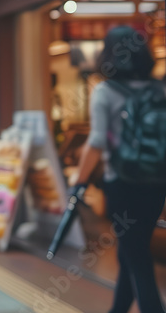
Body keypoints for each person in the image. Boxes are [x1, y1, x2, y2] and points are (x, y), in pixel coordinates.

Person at [71, 26, 166, 313]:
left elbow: (97, 141)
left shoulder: (105, 91)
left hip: (122, 184)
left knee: (136, 255)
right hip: (156, 183)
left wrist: (80, 178)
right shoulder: (159, 89)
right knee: (130, 251)